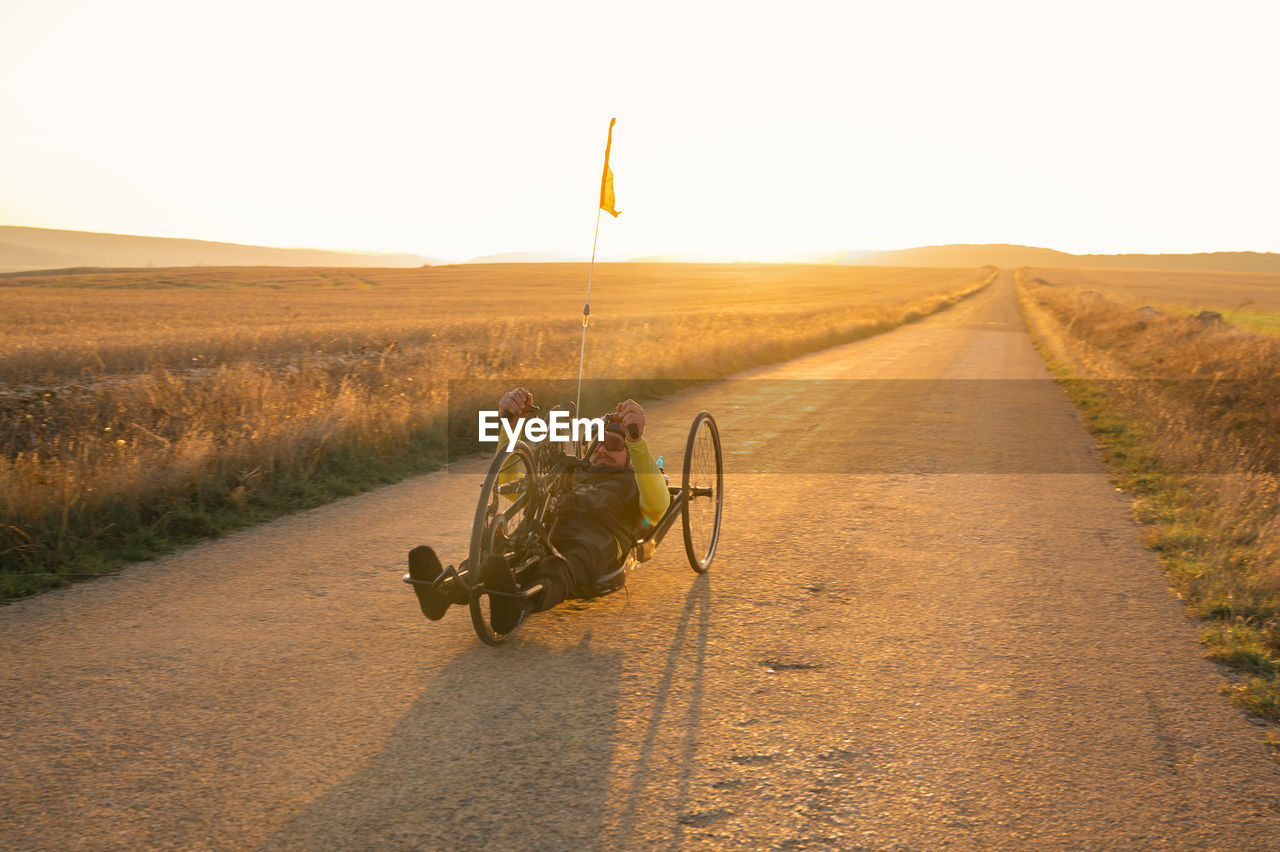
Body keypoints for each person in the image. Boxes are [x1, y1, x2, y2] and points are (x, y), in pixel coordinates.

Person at [408, 387, 670, 633]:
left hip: (596, 540)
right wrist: (510, 429)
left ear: (631, 457)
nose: (601, 448)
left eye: (612, 444)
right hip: (546, 529)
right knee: (498, 554)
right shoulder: (573, 470)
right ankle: (440, 593)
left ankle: (517, 607)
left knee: (559, 568)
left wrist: (636, 439)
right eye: (596, 442)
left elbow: (658, 505)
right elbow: (512, 486)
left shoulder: (636, 480)